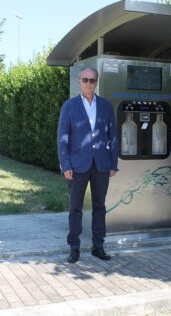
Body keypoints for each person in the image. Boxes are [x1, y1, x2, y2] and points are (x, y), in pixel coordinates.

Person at [57, 67, 118, 263]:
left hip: (101, 164)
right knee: (75, 207)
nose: (89, 84)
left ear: (97, 82)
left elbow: (113, 136)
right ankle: (74, 247)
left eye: (92, 80)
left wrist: (113, 163)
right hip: (77, 165)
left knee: (100, 206)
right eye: (85, 80)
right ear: (79, 81)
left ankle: (98, 246)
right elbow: (62, 137)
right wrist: (65, 164)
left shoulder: (106, 106)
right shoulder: (70, 106)